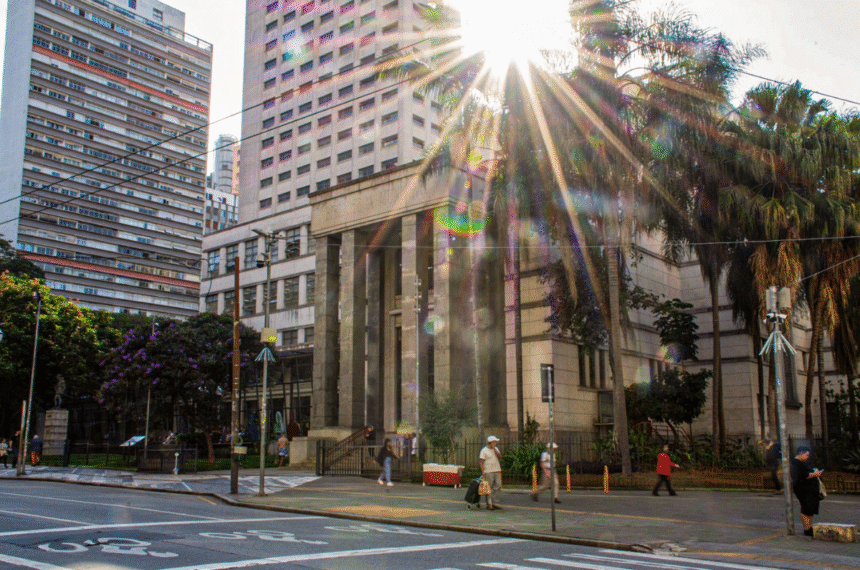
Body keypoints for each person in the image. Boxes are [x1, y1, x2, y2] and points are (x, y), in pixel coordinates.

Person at [790, 446, 824, 537]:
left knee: (810, 509)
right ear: (801, 453)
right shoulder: (796, 463)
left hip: (810, 489)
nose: (807, 457)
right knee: (806, 508)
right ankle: (807, 528)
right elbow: (803, 476)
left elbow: (808, 471)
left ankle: (809, 527)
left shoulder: (802, 462)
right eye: (807, 455)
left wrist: (814, 471)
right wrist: (815, 474)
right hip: (803, 489)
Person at [479, 435, 503, 510]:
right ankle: (489, 504)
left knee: (498, 485)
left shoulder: (496, 449)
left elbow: (500, 457)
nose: (495, 443)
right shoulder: (484, 450)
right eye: (494, 442)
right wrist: (482, 471)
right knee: (489, 487)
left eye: (496, 442)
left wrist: (495, 450)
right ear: (490, 442)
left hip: (496, 469)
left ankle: (494, 502)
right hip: (488, 471)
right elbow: (481, 461)